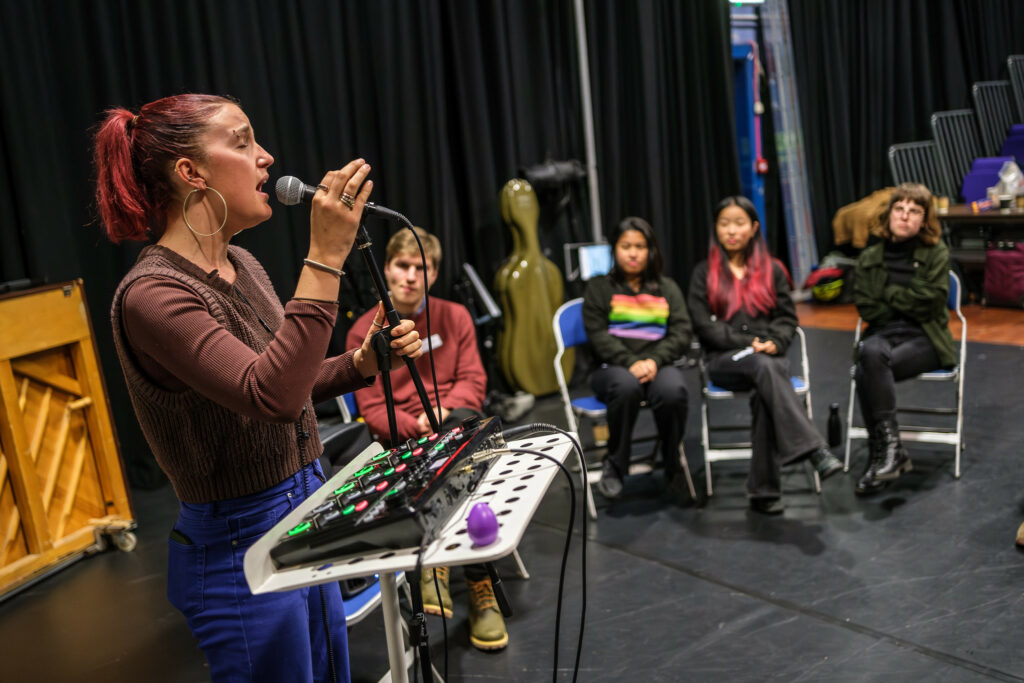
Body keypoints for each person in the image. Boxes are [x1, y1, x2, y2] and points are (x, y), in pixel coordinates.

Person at [94, 93, 422, 683]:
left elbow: (283, 384)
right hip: (237, 546)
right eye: (242, 142)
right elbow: (268, 396)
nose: (266, 157)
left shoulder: (244, 266)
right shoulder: (153, 296)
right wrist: (324, 255)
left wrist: (361, 363)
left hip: (307, 511)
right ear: (191, 172)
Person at [345, 227, 507, 651]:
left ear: (433, 274)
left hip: (452, 421)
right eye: (402, 265)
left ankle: (475, 579)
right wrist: (411, 423)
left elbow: (473, 379)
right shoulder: (364, 330)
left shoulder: (454, 316)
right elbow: (372, 409)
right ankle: (446, 563)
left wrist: (439, 416)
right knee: (455, 453)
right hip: (404, 440)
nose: (411, 275)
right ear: (386, 269)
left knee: (465, 436)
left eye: (422, 267)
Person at [688, 196, 842, 514]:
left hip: (767, 360)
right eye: (725, 223)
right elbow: (704, 326)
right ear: (716, 228)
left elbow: (787, 319)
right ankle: (813, 448)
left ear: (753, 227)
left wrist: (775, 341)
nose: (732, 230)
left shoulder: (772, 270)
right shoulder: (704, 273)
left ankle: (763, 491)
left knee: (765, 384)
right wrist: (752, 340)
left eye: (739, 223)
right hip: (724, 361)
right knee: (765, 368)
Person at [851, 182, 956, 496]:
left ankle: (881, 456)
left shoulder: (935, 252)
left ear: (924, 220)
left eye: (914, 211)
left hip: (926, 338)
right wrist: (908, 298)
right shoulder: (870, 255)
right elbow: (867, 306)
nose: (905, 216)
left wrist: (891, 293)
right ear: (889, 214)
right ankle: (890, 455)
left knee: (867, 367)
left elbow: (933, 300)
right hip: (883, 336)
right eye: (900, 209)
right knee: (869, 354)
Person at [582, 217, 692, 500]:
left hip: (658, 364)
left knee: (673, 391)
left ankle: (672, 464)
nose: (633, 253)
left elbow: (681, 332)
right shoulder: (599, 287)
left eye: (640, 246)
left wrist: (654, 360)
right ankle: (615, 466)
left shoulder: (667, 288)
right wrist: (630, 361)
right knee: (626, 387)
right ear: (615, 250)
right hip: (613, 368)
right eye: (626, 246)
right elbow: (597, 335)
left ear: (651, 250)